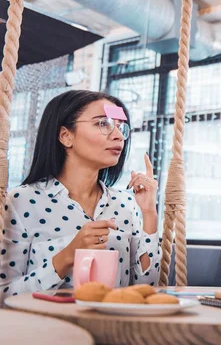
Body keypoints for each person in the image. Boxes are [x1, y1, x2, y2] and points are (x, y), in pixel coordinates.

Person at [0, 90, 161, 301]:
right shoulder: (20, 202)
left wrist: (149, 213)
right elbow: (4, 296)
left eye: (121, 127)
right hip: (49, 330)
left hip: (115, 330)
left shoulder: (126, 204)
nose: (118, 135)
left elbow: (145, 288)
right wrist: (67, 255)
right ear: (66, 136)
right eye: (103, 124)